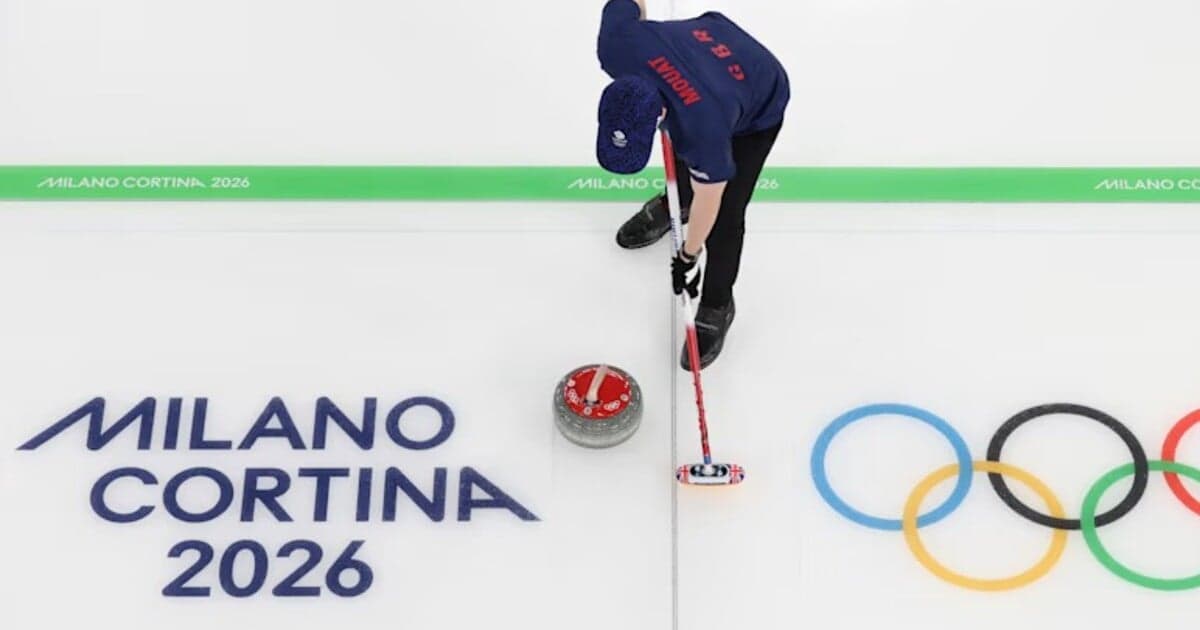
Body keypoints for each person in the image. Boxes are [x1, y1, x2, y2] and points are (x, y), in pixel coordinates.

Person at [595, 0, 789, 370]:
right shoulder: (616, 44)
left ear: (662, 115)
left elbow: (712, 198)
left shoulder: (703, 126)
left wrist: (689, 255)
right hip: (703, 55)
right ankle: (676, 202)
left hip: (757, 88)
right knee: (691, 157)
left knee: (728, 214)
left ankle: (719, 304)